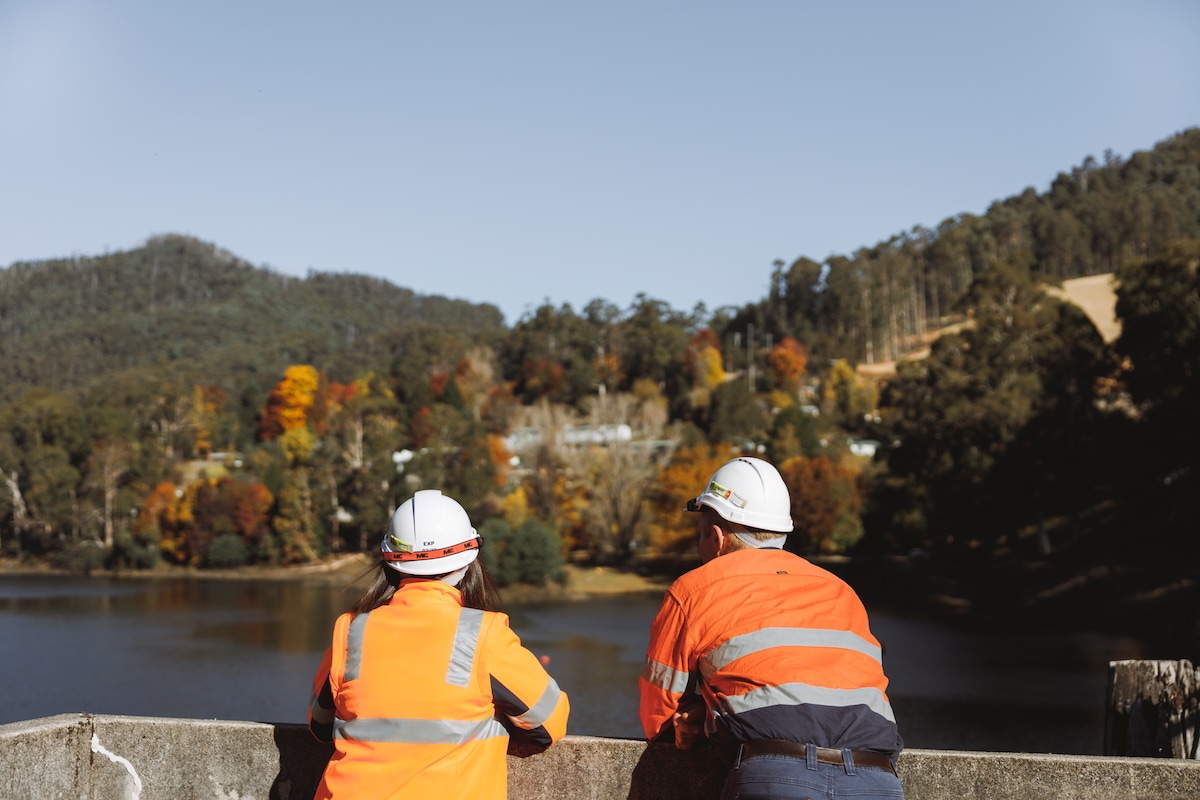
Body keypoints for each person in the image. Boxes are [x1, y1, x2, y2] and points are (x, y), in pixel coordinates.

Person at [638, 456, 904, 799]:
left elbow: (657, 718)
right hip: (877, 779)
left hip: (775, 777)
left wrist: (694, 722)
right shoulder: (841, 590)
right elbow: (816, 688)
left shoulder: (693, 589)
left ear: (716, 537)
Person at [308, 489, 570, 800]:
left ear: (391, 559)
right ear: (469, 558)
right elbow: (549, 723)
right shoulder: (484, 635)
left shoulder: (351, 631)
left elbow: (320, 724)